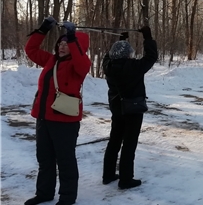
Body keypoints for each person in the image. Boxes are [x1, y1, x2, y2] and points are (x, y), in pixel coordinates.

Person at [24, 17, 91, 205]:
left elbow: (81, 63)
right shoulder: (50, 60)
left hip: (65, 122)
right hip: (44, 118)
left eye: (66, 44)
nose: (62, 46)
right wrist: (43, 30)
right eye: (60, 43)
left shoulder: (80, 64)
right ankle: (44, 193)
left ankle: (67, 197)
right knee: (45, 159)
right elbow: (30, 50)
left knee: (65, 160)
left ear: (76, 46)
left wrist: (72, 37)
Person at [102, 26, 158, 190]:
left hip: (117, 108)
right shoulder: (134, 67)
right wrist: (148, 37)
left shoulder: (108, 66)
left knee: (114, 141)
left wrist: (120, 40)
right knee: (129, 144)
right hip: (133, 109)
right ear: (128, 54)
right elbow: (152, 56)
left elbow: (108, 55)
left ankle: (108, 174)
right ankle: (126, 179)